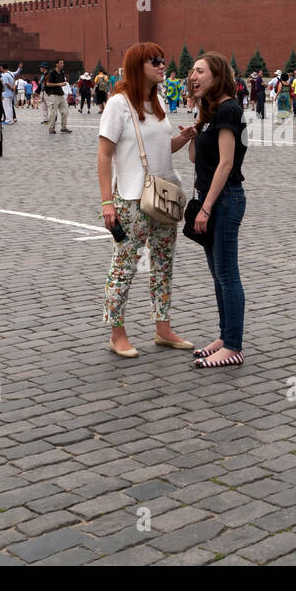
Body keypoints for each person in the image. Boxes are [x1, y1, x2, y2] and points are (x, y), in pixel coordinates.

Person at [97, 42, 196, 358]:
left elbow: (163, 148)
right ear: (138, 66)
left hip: (163, 196)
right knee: (124, 267)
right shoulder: (118, 104)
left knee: (163, 265)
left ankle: (163, 328)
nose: (162, 65)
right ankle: (117, 333)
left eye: (163, 60)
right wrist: (106, 203)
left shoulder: (159, 101)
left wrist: (185, 137)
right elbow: (103, 155)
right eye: (155, 61)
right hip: (130, 198)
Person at [187, 52, 248, 369]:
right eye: (191, 71)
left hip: (224, 200)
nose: (192, 76)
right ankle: (225, 337)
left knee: (227, 274)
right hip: (213, 199)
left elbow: (226, 164)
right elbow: (197, 160)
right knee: (217, 275)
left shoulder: (228, 110)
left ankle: (234, 345)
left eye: (199, 71)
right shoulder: (213, 112)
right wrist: (196, 132)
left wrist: (206, 208)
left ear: (217, 75)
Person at [44, 60, 71, 134]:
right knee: (53, 113)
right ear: (56, 64)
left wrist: (64, 83)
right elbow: (48, 84)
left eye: (63, 63)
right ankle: (51, 128)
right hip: (53, 94)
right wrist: (59, 84)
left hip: (60, 94)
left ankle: (63, 127)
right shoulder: (52, 73)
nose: (62, 64)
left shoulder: (62, 72)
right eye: (61, 63)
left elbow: (62, 82)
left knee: (65, 111)